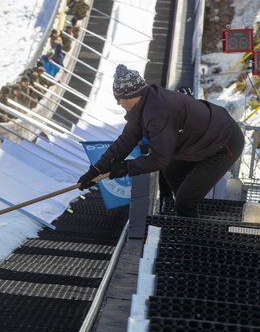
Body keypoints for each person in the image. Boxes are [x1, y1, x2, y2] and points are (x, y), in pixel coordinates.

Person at [78, 65, 244, 218]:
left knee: (185, 201)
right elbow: (124, 142)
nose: (118, 103)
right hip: (202, 140)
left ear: (129, 96)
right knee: (171, 172)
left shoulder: (158, 113)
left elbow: (159, 159)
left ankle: (190, 236)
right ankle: (182, 214)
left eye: (118, 98)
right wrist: (96, 169)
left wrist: (126, 167)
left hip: (224, 143)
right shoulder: (144, 105)